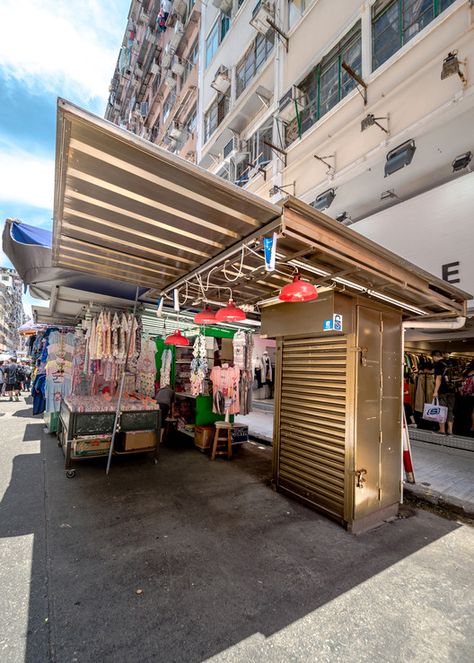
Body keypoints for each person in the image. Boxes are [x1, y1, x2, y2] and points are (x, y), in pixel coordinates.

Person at [432, 350, 455, 435]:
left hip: (443, 391)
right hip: (452, 390)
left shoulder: (438, 364)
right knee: (450, 410)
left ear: (434, 356)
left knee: (441, 410)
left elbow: (438, 378)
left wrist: (435, 391)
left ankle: (442, 430)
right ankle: (450, 430)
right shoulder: (450, 362)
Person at [460, 360, 474, 436]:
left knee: (466, 411)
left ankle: (466, 427)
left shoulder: (467, 371)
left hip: (465, 395)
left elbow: (462, 381)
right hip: (472, 394)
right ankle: (472, 427)